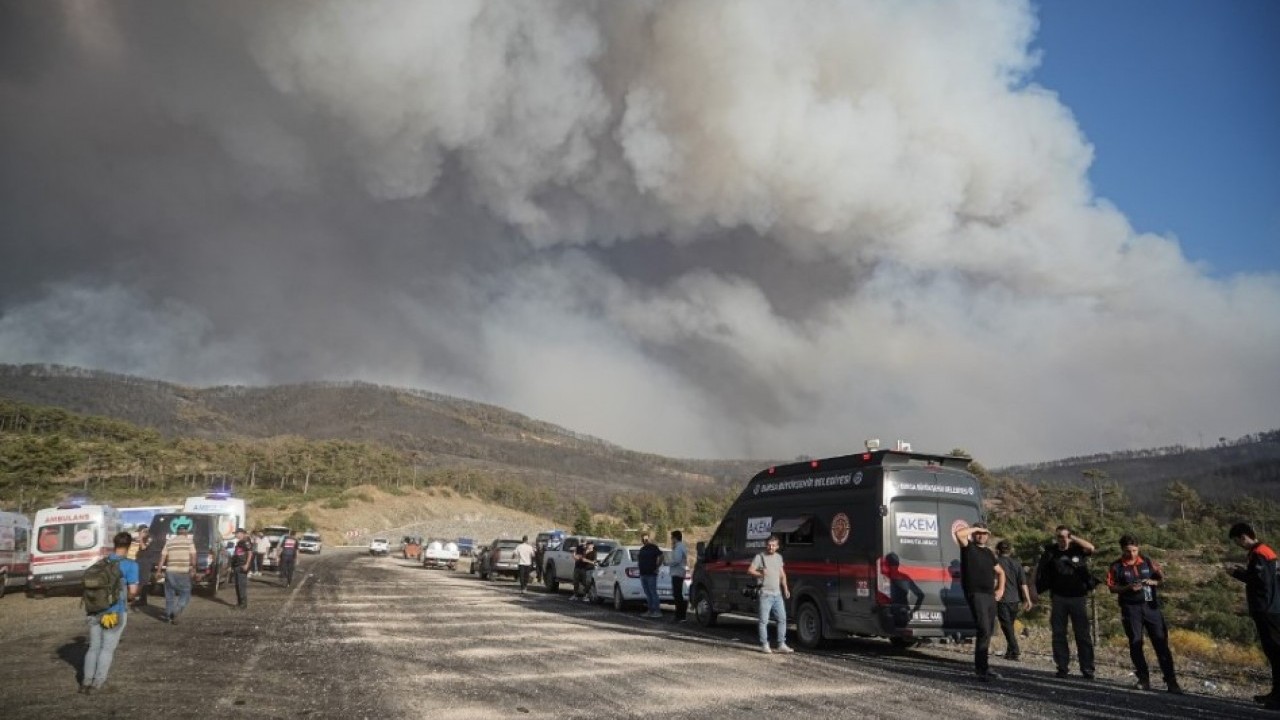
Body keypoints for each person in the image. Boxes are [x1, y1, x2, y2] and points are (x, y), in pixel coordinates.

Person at [1106, 534, 1181, 693]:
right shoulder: (1116, 566)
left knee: (1161, 644)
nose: (1132, 554)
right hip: (1130, 609)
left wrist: (1154, 582)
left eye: (1134, 550)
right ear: (1122, 549)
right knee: (1136, 643)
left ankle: (1171, 681)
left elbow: (1161, 578)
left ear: (1138, 548)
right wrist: (1127, 588)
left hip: (1150, 607)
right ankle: (1143, 679)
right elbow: (1112, 588)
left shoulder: (1147, 561)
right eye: (1128, 551)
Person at [1228, 522, 1280, 708]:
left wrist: (1236, 574)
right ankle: (1275, 693)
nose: (1238, 545)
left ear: (1244, 537)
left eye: (1237, 541)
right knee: (1273, 652)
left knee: (1275, 651)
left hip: (1267, 608)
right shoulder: (1265, 552)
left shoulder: (1260, 553)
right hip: (1270, 607)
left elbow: (1261, 581)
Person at [81, 531, 139, 694]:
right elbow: (132, 590)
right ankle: (98, 684)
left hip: (94, 610)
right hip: (115, 612)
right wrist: (132, 597)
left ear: (114, 544)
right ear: (128, 546)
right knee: (106, 649)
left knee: (93, 648)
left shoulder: (102, 563)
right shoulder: (130, 565)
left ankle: (86, 682)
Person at [1036, 526, 1097, 679]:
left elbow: (1091, 547)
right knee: (1059, 634)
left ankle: (1087, 668)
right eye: (1059, 537)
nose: (1063, 539)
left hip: (1078, 597)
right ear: (1056, 538)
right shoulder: (1051, 552)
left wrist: (1072, 537)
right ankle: (1062, 667)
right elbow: (1039, 569)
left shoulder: (1078, 550)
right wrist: (1033, 588)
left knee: (1082, 634)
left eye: (1065, 536)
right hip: (1058, 597)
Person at [954, 523, 1006, 681]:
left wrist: (1001, 589)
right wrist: (975, 529)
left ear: (988, 536)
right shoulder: (968, 547)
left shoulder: (989, 553)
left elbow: (1001, 572)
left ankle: (984, 666)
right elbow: (959, 533)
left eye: (984, 533)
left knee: (988, 630)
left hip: (990, 595)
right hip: (975, 593)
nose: (981, 536)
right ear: (974, 534)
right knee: (983, 628)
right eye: (979, 533)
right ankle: (981, 669)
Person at [748, 534, 792, 654]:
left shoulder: (779, 558)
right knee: (763, 621)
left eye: (773, 545)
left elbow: (782, 574)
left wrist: (786, 589)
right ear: (766, 545)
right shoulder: (760, 557)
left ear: (777, 546)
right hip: (765, 594)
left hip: (777, 594)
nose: (771, 547)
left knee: (782, 619)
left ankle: (781, 644)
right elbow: (750, 570)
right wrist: (761, 574)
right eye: (769, 545)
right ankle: (764, 644)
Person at [995, 540, 1032, 661]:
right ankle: (1010, 653)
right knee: (1009, 625)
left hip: (1002, 599)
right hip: (1015, 600)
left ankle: (1015, 650)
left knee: (1007, 627)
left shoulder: (996, 563)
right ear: (1009, 551)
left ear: (998, 551)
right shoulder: (1017, 564)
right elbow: (1023, 583)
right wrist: (1027, 599)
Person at [160, 519, 197, 624]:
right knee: (185, 593)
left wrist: (159, 570)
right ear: (186, 532)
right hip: (183, 571)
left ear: (177, 532)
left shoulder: (169, 542)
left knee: (169, 595)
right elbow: (193, 555)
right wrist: (193, 568)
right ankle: (175, 611)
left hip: (170, 571)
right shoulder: (189, 542)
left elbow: (163, 556)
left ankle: (168, 616)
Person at [637, 534, 663, 618]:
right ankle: (650, 610)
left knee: (653, 592)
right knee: (647, 593)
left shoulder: (653, 547)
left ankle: (657, 611)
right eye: (643, 539)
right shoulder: (642, 549)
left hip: (651, 574)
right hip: (643, 574)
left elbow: (661, 556)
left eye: (646, 539)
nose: (645, 540)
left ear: (649, 539)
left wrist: (657, 566)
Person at [128, 525, 152, 608]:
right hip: (137, 561)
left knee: (143, 581)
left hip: (145, 562)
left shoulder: (149, 539)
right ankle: (142, 600)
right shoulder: (135, 540)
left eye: (141, 531)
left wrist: (141, 538)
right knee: (138, 581)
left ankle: (136, 598)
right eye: (139, 532)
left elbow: (143, 547)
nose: (139, 533)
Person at [230, 528, 254, 609]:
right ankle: (239, 603)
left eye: (237, 533)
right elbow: (237, 554)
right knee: (237, 586)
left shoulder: (246, 541)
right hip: (237, 565)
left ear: (242, 533)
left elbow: (250, 553)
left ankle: (243, 604)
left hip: (242, 566)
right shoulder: (239, 542)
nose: (236, 535)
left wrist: (247, 564)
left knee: (241, 586)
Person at [669, 530, 689, 622]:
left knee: (677, 594)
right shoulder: (681, 546)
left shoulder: (678, 547)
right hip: (680, 572)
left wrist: (669, 563)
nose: (671, 539)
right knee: (678, 594)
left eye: (672, 537)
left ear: (675, 538)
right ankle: (681, 615)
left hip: (677, 572)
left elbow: (677, 559)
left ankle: (679, 615)